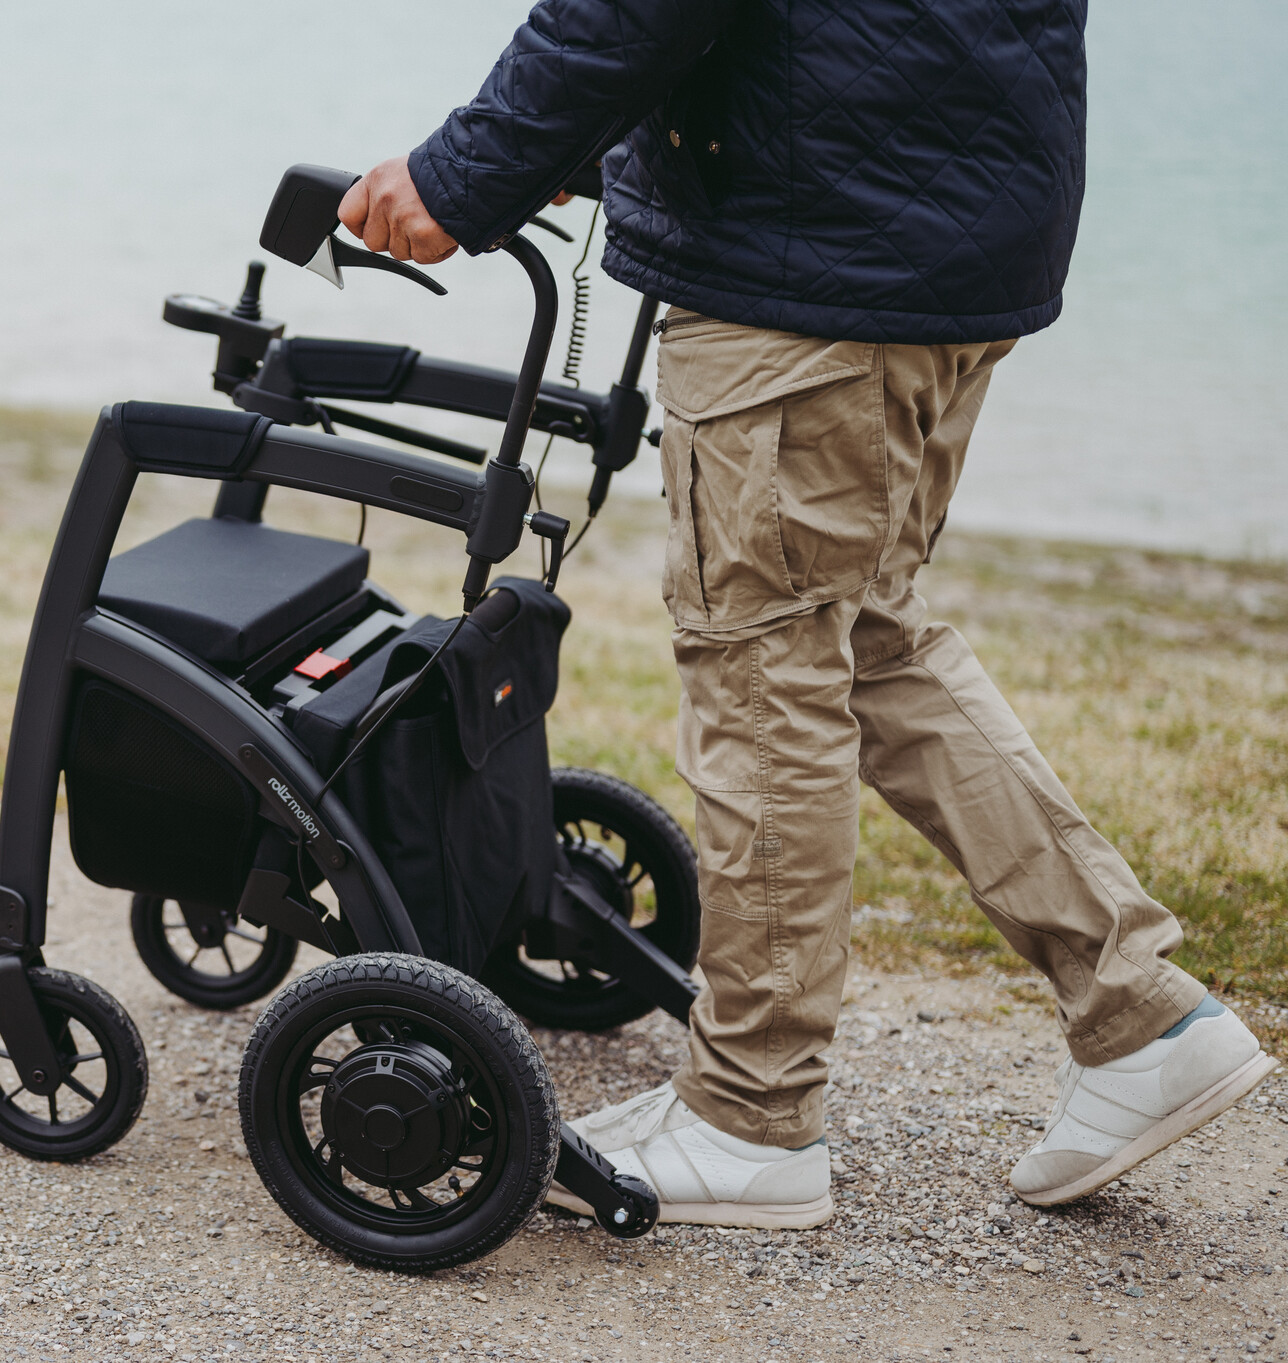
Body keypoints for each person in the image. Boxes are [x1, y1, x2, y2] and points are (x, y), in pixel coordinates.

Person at [339, 0, 1274, 1229]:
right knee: (866, 638)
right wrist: (599, 152)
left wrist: (466, 173)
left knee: (763, 667)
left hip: (810, 271)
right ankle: (1139, 1012)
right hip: (945, 232)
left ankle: (749, 1113)